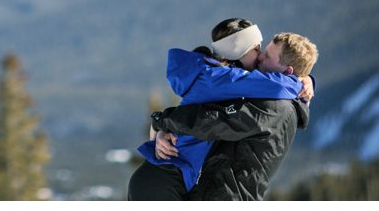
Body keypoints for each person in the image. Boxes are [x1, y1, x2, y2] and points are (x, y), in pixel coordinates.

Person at [127, 19, 315, 201]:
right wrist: (299, 83)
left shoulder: (238, 86)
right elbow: (209, 120)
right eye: (257, 49)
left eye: (264, 53)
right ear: (238, 50)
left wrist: (305, 79)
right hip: (164, 180)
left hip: (172, 181)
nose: (260, 56)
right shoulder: (222, 79)